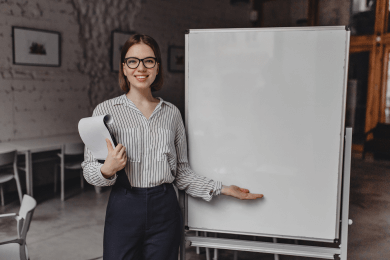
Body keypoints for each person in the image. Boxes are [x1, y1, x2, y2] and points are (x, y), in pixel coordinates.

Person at [81, 34, 264, 260]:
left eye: (149, 61)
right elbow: (89, 169)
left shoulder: (172, 114)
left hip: (165, 208)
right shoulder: (104, 111)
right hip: (124, 206)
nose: (141, 68)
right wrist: (107, 169)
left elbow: (182, 173)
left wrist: (224, 188)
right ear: (124, 69)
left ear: (157, 68)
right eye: (133, 61)